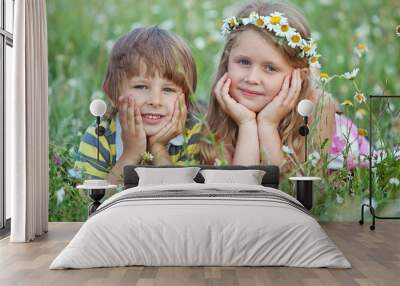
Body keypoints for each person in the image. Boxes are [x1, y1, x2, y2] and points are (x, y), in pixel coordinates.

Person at [200, 1, 368, 173]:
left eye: (270, 68)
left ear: (299, 76)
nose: (252, 79)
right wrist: (246, 124)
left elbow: (291, 191)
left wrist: (267, 125)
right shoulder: (223, 111)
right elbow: (238, 189)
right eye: (243, 62)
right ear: (226, 60)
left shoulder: (318, 108)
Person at [75, 26, 201, 184]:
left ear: (186, 100)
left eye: (168, 89)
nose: (155, 101)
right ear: (112, 93)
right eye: (141, 87)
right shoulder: (100, 136)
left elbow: (180, 201)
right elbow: (89, 204)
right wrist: (130, 154)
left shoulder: (193, 134)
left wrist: (159, 149)